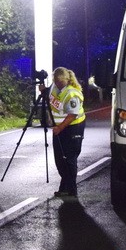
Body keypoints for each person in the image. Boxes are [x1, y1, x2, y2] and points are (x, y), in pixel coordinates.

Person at [41, 67, 86, 198]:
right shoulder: (54, 86)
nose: (58, 84)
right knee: (60, 160)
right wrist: (44, 92)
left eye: (60, 82)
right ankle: (64, 186)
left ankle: (71, 190)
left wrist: (60, 128)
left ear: (66, 80)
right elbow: (51, 98)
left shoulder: (72, 94)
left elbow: (72, 115)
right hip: (59, 128)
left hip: (73, 127)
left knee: (69, 159)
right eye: (56, 82)